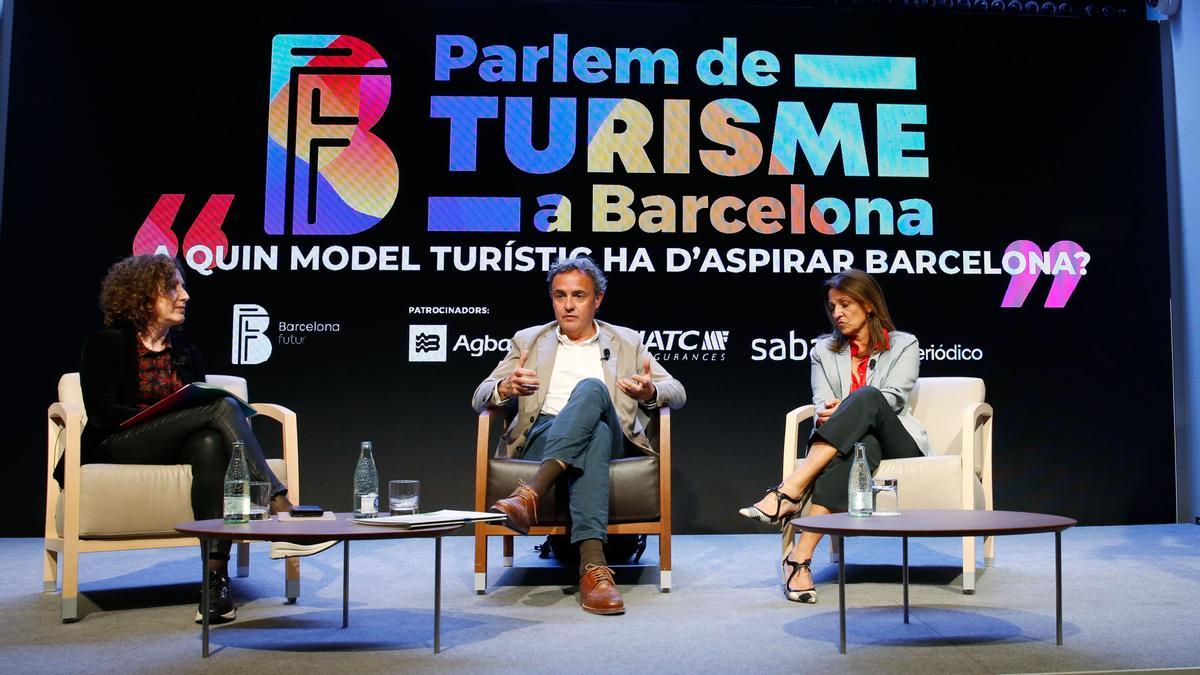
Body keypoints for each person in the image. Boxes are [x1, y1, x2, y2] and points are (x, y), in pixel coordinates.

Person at [63, 254, 294, 624]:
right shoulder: (105, 343)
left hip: (174, 446)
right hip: (119, 445)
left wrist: (183, 415)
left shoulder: (185, 351)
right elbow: (104, 413)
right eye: (173, 287)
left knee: (210, 443)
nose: (184, 295)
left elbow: (195, 415)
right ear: (142, 295)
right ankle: (276, 498)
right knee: (220, 405)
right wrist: (169, 414)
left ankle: (214, 581)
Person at [472, 257, 686, 615]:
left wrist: (650, 393)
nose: (568, 305)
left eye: (579, 296)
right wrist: (504, 387)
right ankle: (593, 570)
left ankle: (530, 494)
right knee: (595, 434)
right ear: (552, 299)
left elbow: (676, 391)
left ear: (597, 300)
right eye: (560, 296)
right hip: (543, 434)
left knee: (592, 390)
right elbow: (479, 396)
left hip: (619, 441)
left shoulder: (626, 342)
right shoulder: (528, 340)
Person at [739, 269, 931, 603]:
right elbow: (820, 405)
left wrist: (843, 407)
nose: (837, 313)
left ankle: (789, 490)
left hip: (899, 442)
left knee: (868, 396)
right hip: (858, 443)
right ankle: (799, 559)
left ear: (869, 305)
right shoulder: (822, 352)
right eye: (832, 306)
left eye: (845, 304)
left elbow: (893, 397)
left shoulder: (904, 344)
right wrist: (829, 412)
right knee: (860, 447)